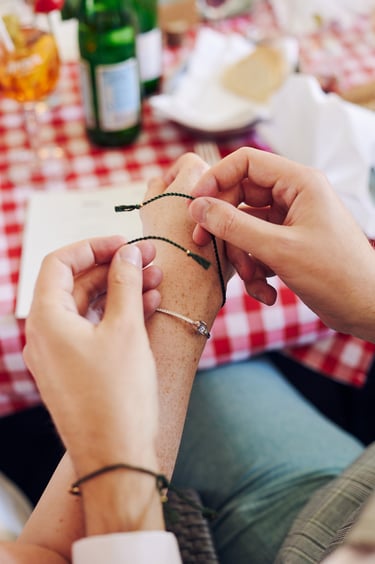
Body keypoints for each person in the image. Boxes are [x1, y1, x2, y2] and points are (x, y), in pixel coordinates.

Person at [0, 150, 374, 563]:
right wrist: (367, 295)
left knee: (223, 379)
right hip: (353, 496)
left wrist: (107, 441)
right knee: (232, 376)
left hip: (322, 542)